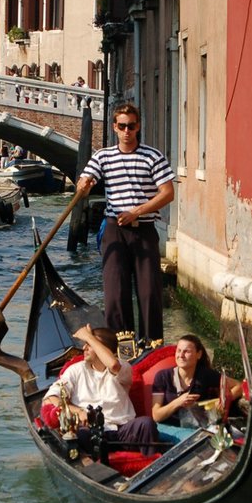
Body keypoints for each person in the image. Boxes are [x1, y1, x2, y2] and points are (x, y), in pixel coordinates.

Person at [77, 102, 174, 342]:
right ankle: (122, 344)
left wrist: (137, 212)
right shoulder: (103, 156)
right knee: (115, 292)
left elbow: (167, 193)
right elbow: (84, 184)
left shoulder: (153, 156)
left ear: (138, 126)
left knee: (149, 291)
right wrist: (84, 185)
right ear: (115, 127)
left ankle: (152, 342)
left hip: (144, 230)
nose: (127, 131)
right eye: (122, 126)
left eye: (131, 126)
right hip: (114, 230)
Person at [41, 324, 159, 453]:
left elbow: (113, 365)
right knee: (79, 436)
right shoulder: (75, 370)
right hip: (91, 431)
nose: (84, 348)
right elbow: (52, 397)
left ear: (104, 349)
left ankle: (153, 463)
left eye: (90, 344)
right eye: (86, 343)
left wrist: (88, 336)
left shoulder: (123, 368)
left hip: (124, 430)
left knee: (146, 424)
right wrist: (79, 412)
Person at [151, 335, 243, 428]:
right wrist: (179, 402)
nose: (181, 355)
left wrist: (223, 400)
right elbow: (156, 416)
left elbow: (239, 386)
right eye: (179, 351)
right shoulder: (162, 376)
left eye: (186, 351)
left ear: (198, 354)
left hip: (197, 429)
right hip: (168, 428)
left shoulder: (205, 374)